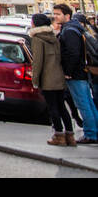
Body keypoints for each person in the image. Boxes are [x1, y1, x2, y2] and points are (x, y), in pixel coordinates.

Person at [55, 3, 98, 144]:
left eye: (58, 14)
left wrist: (68, 72)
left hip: (76, 74)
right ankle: (94, 131)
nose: (55, 16)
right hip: (80, 72)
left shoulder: (70, 31)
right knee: (88, 103)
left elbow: (73, 53)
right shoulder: (74, 28)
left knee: (83, 104)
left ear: (67, 15)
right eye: (54, 14)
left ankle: (91, 134)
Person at [29, 13, 73, 146]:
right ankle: (70, 136)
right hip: (58, 77)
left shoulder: (37, 39)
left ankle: (58, 136)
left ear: (35, 24)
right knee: (62, 108)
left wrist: (35, 80)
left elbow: (38, 62)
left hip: (48, 79)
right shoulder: (53, 36)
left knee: (53, 108)